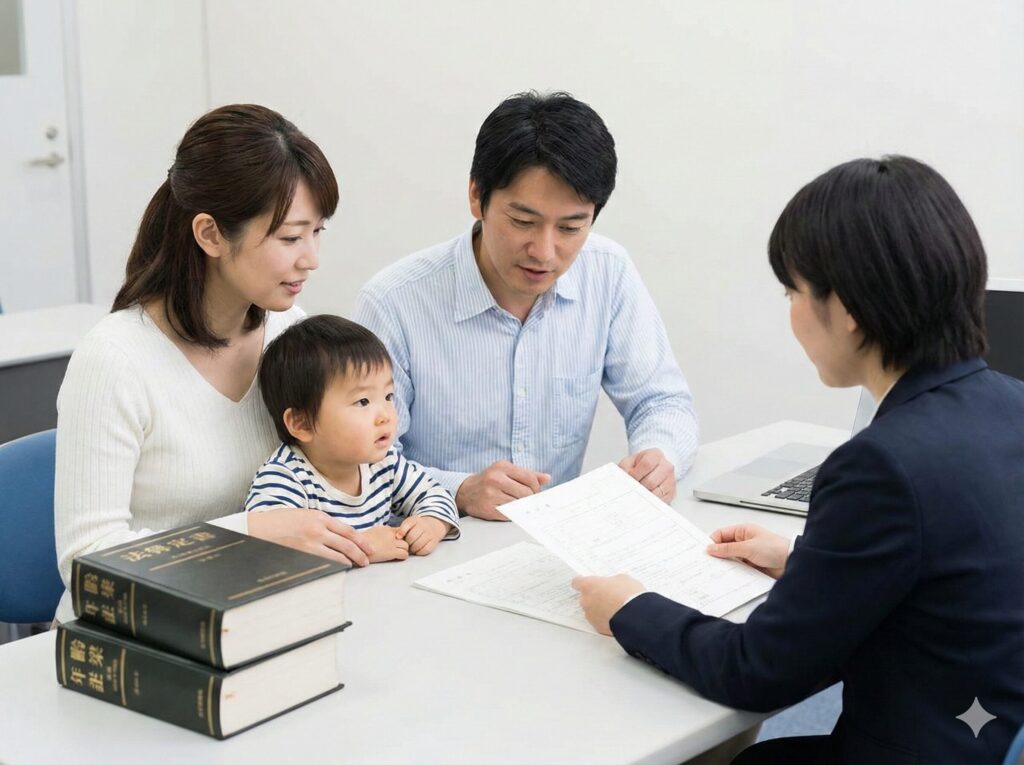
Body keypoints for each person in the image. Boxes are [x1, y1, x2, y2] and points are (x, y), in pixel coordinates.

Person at [573, 156, 1024, 764]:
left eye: (794, 292)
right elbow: (957, 568)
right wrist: (806, 561)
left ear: (849, 309)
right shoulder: (1012, 404)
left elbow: (757, 671)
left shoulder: (881, 466)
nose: (791, 312)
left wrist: (630, 610)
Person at [54, 104, 375, 624]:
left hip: (255, 612)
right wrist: (249, 532)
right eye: (290, 237)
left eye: (317, 232)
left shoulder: (289, 331)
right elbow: (85, 563)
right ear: (210, 235)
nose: (311, 258)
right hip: (141, 632)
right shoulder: (114, 360)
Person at [355, 91, 698, 521]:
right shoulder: (394, 302)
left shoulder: (607, 272)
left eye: (570, 227)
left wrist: (659, 456)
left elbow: (662, 401)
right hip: (438, 539)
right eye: (523, 222)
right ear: (476, 196)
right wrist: (460, 490)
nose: (544, 252)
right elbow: (363, 463)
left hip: (559, 539)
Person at [244, 315, 460, 562]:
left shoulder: (383, 462)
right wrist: (365, 547)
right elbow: (269, 556)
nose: (386, 416)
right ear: (302, 423)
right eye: (363, 401)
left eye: (388, 396)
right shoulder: (285, 478)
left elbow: (436, 493)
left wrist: (432, 522)